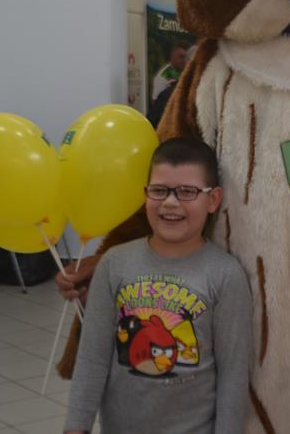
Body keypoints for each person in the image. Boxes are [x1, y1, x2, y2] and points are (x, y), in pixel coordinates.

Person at [63, 138, 252, 434]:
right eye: (159, 190)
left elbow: (233, 375)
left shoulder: (226, 275)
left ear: (213, 200)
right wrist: (76, 427)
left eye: (187, 192)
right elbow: (92, 359)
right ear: (145, 194)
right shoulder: (114, 264)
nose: (170, 202)